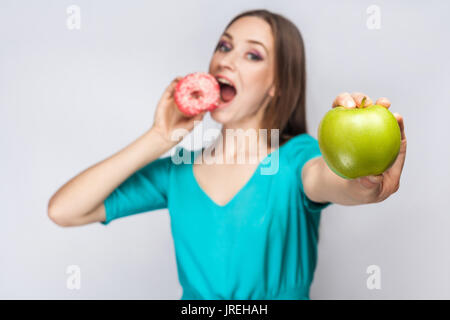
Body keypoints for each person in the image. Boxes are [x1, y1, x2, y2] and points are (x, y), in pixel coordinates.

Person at [47, 9, 407, 299]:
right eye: (223, 46)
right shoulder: (178, 171)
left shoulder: (297, 158)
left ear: (277, 85)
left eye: (252, 54)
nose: (226, 61)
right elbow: (64, 210)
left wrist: (365, 181)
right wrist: (159, 137)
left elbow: (332, 180)